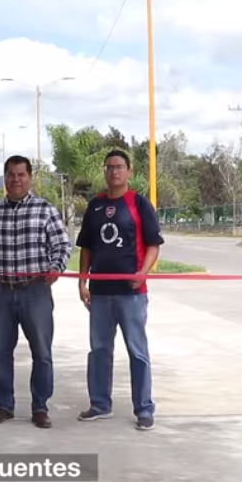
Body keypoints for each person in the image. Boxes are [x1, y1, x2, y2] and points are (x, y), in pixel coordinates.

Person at [0, 155, 72, 429]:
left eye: (21, 174)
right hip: (0, 293)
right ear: (5, 178)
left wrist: (55, 268)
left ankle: (40, 407)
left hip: (35, 292)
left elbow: (62, 245)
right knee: (0, 352)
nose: (16, 179)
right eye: (11, 174)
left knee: (42, 352)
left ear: (30, 177)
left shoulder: (45, 210)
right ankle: (4, 405)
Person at [76, 149, 164, 431]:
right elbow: (87, 247)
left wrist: (142, 273)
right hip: (100, 293)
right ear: (105, 172)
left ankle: (144, 409)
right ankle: (100, 404)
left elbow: (153, 245)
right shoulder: (95, 206)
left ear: (128, 171)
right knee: (99, 349)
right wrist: (83, 281)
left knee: (137, 351)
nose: (114, 172)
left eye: (119, 167)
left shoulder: (139, 204)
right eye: (109, 167)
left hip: (131, 294)